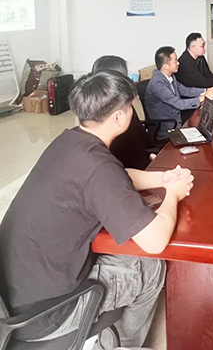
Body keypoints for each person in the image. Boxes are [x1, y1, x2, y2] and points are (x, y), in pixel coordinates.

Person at [0, 70, 195, 349]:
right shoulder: (97, 166)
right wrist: (173, 196)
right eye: (129, 108)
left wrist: (162, 179)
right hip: (47, 314)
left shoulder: (70, 141)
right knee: (150, 268)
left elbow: (117, 175)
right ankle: (121, 344)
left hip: (17, 292)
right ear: (118, 118)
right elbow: (155, 240)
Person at [92, 55, 155, 170]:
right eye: (125, 75)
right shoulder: (120, 113)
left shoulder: (97, 108)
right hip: (131, 168)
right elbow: (130, 151)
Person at [145, 46, 213, 140]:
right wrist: (203, 97)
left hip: (177, 121)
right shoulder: (157, 84)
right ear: (166, 66)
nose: (178, 63)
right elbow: (178, 103)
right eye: (175, 61)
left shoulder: (169, 76)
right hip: (167, 130)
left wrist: (206, 90)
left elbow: (184, 90)